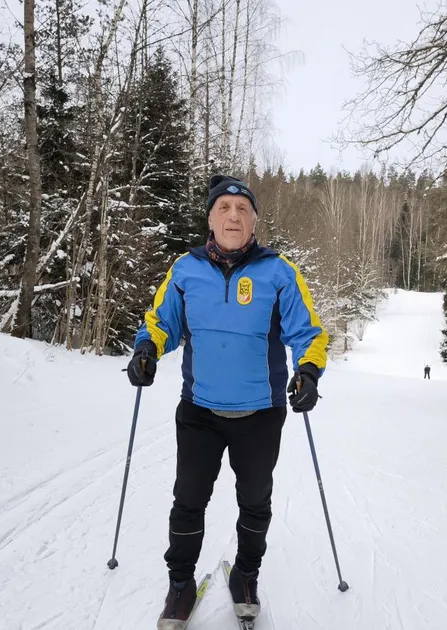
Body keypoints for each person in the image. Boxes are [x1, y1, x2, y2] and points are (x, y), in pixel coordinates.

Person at [125, 174, 329, 629]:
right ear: (210, 219)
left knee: (255, 502)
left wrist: (309, 371)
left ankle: (246, 576)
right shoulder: (185, 270)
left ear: (254, 221)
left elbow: (309, 333)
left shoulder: (279, 271)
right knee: (188, 500)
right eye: (224, 208)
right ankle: (180, 584)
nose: (233, 216)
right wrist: (146, 350)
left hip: (261, 413)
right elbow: (161, 323)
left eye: (243, 209)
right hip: (199, 410)